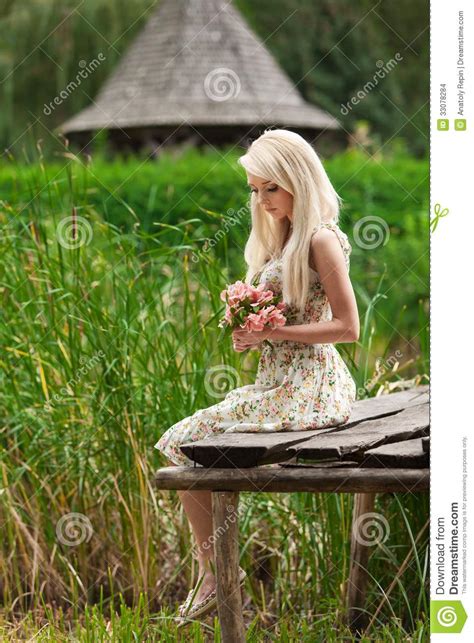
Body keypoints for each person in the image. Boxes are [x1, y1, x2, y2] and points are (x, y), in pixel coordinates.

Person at [154, 128, 359, 621]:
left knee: (183, 439)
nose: (262, 199)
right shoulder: (283, 237)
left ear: (298, 181)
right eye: (254, 189)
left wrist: (277, 334)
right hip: (279, 381)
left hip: (312, 385)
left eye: (272, 187)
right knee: (180, 443)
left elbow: (348, 327)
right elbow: (283, 323)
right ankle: (214, 575)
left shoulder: (320, 240)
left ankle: (212, 579)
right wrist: (251, 331)